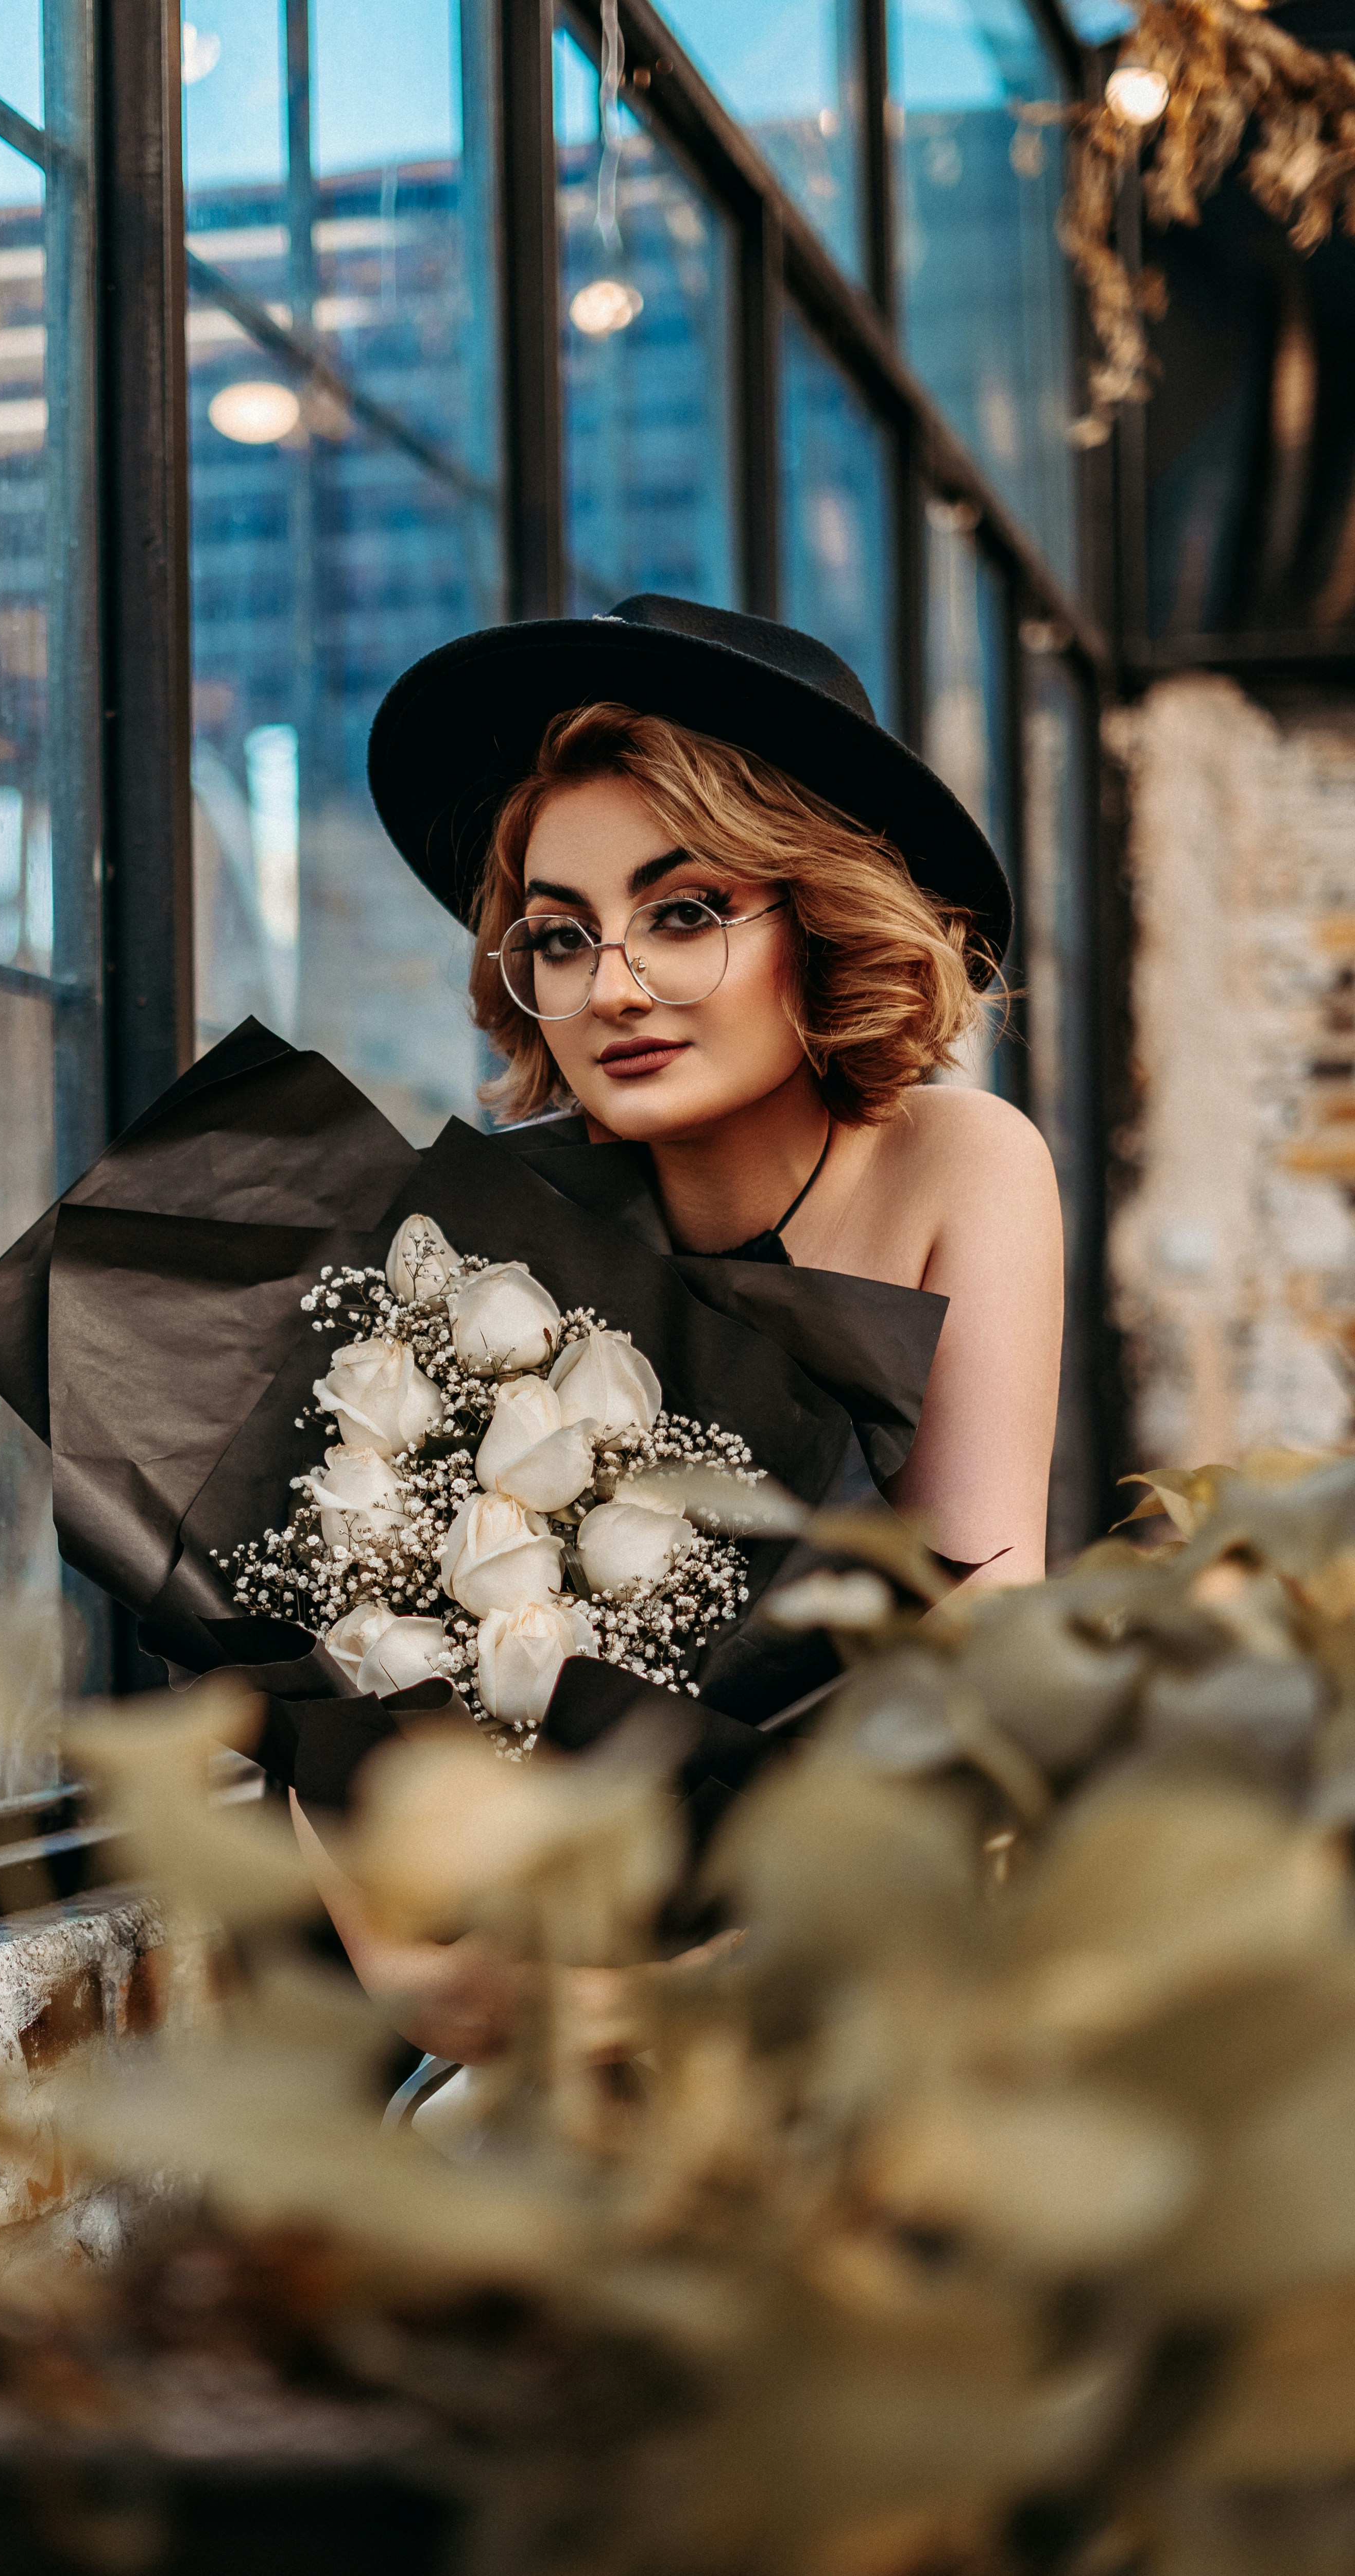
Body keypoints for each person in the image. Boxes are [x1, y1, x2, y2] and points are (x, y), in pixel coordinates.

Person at [295, 592, 1064, 2067]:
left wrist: (737, 1993)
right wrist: (411, 1981)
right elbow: (339, 1659)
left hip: (860, 1948)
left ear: (819, 920)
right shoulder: (486, 1229)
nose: (613, 988)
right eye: (561, 936)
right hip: (529, 1990)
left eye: (686, 913)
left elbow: (986, 1645)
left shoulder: (958, 1162)